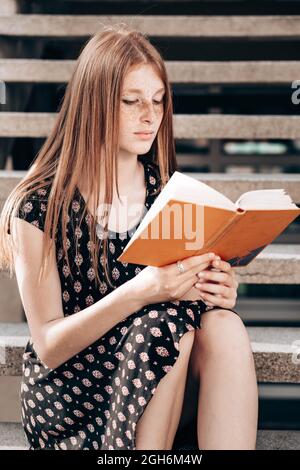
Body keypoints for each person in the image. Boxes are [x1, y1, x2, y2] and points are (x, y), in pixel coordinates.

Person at [0, 25, 258, 450]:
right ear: (94, 103)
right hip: (73, 391)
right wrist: (139, 293)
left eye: (158, 101)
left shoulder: (170, 194)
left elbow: (184, 307)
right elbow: (47, 345)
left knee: (221, 325)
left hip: (160, 376)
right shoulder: (39, 204)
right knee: (163, 323)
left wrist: (215, 289)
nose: (149, 116)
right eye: (131, 101)